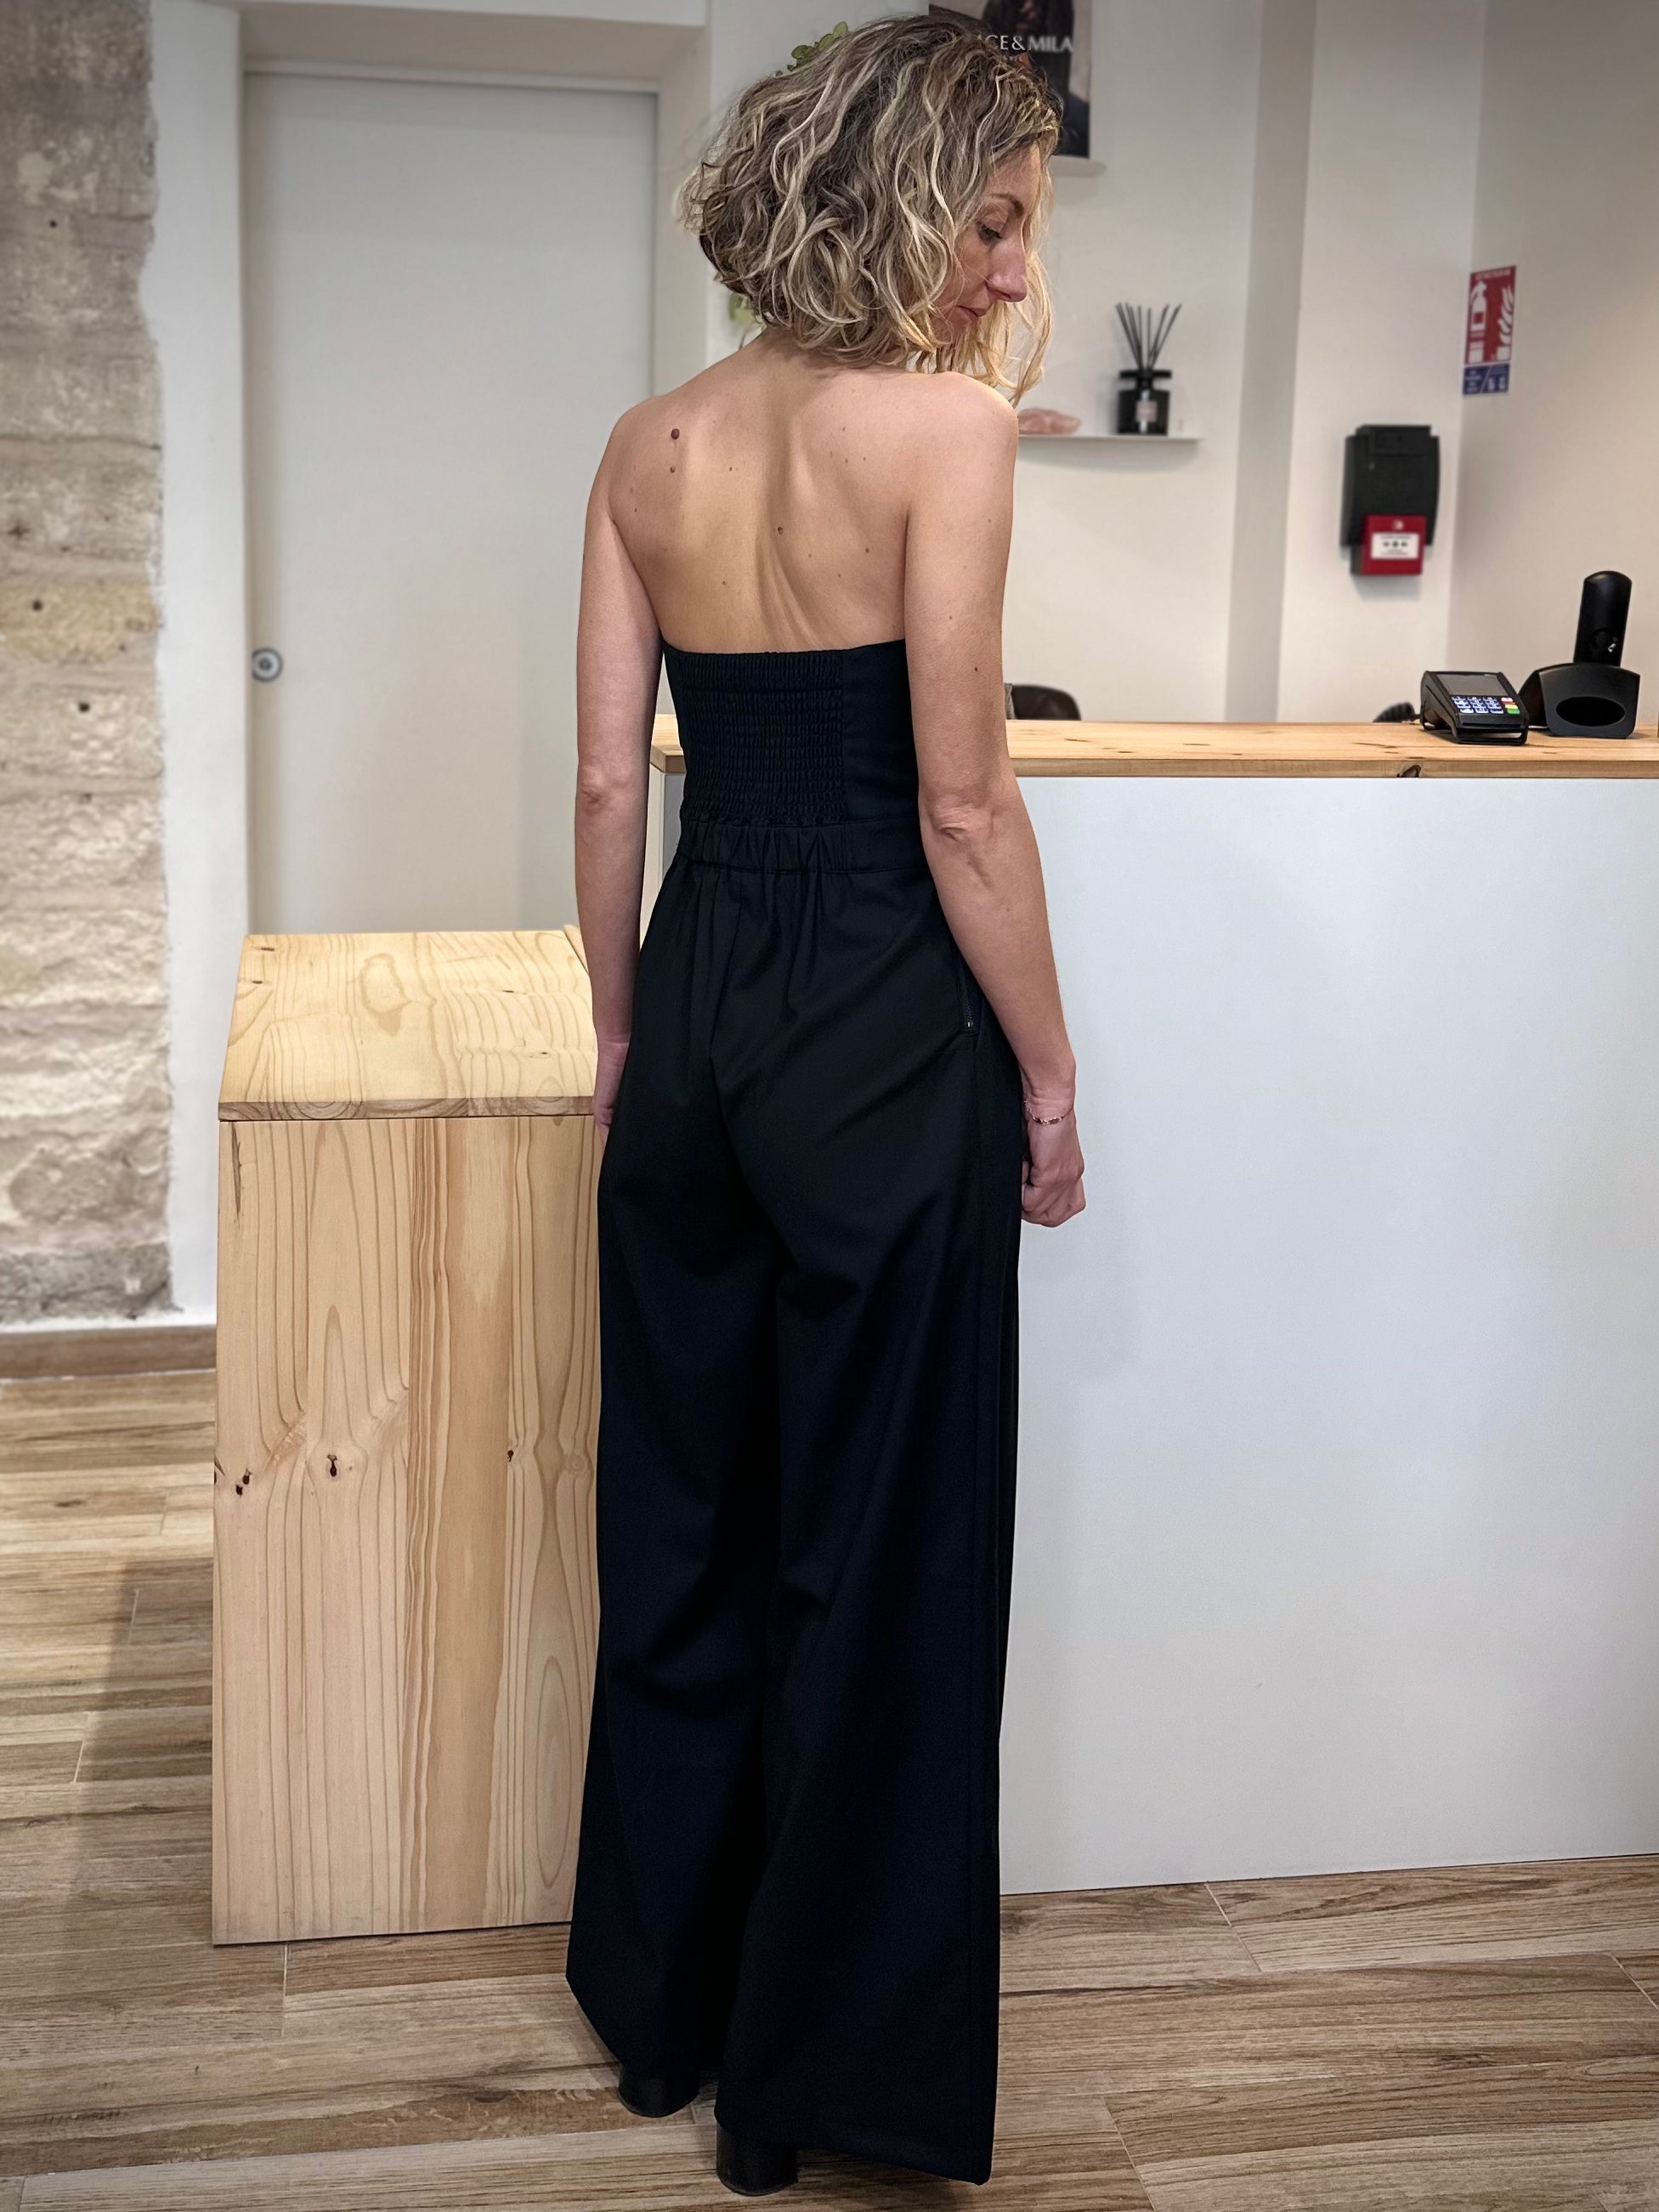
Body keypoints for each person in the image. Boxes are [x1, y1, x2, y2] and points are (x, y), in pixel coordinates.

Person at [564, 14, 1085, 2196]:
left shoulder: (647, 442)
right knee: (874, 1563)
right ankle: (811, 2091)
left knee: (685, 1522)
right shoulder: (943, 435)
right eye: (992, 222)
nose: (1009, 269)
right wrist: (1049, 1072)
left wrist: (621, 1040)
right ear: (894, 197)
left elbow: (611, 787)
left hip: (697, 1007)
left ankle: (660, 2011)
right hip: (880, 1025)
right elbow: (963, 804)